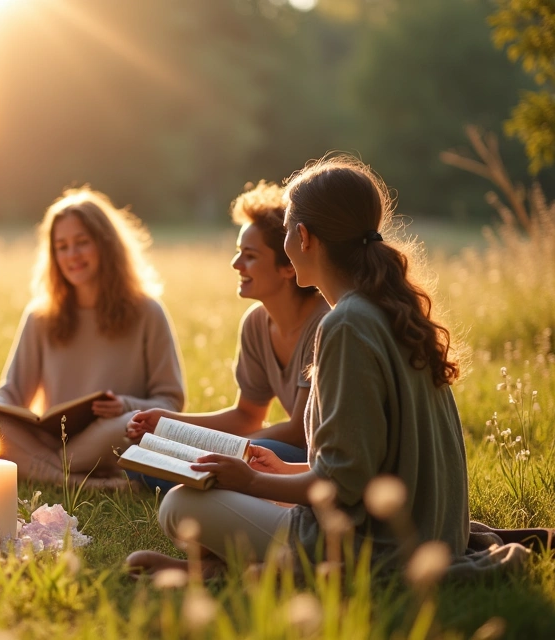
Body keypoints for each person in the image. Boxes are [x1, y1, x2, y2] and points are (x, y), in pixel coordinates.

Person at [127, 155, 469, 577]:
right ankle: (229, 569)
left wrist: (251, 482)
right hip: (434, 533)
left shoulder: (345, 323)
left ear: (304, 237)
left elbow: (342, 485)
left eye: (287, 227)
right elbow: (367, 459)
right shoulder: (390, 310)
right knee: (219, 489)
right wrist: (284, 469)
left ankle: (229, 571)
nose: (287, 237)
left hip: (375, 547)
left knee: (179, 504)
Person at [0, 186, 185, 488]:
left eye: (81, 243)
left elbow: (171, 400)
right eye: (61, 247)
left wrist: (125, 405)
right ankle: (80, 481)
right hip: (53, 440)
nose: (72, 255)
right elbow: (11, 392)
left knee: (132, 427)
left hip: (112, 433)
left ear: (106, 245)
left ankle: (35, 467)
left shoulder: (147, 311)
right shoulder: (41, 314)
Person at [125, 181, 329, 494]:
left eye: (249, 255)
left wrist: (230, 449)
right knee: (150, 454)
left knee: (216, 463)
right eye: (238, 253)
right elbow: (246, 415)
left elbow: (300, 433)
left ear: (287, 266)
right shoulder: (256, 324)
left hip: (311, 461)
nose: (236, 264)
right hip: (273, 449)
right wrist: (167, 423)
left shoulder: (323, 323)